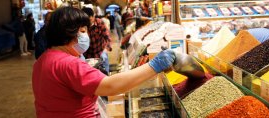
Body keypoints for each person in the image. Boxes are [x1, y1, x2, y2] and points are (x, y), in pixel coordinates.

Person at [32, 7, 175, 117]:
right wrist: (154, 66)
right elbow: (110, 86)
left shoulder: (43, 60)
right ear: (69, 32)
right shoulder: (68, 64)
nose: (85, 36)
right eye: (82, 31)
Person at [82, 7, 112, 74]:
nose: (87, 22)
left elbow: (107, 37)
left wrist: (105, 50)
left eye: (89, 20)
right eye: (85, 20)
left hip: (101, 52)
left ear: (93, 16)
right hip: (88, 55)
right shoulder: (82, 25)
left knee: (105, 74)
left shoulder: (99, 22)